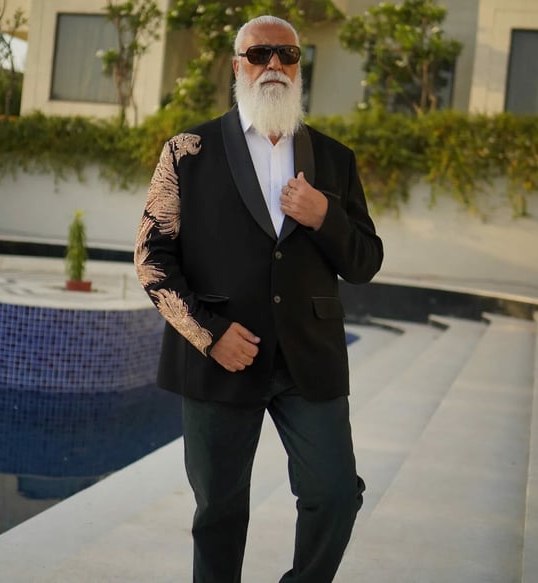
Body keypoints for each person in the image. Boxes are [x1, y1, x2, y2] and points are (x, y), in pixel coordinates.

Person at [134, 14, 384, 583]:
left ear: (299, 67)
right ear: (237, 65)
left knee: (335, 494)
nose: (274, 64)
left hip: (309, 358)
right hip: (221, 359)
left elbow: (365, 262)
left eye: (287, 55)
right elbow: (151, 257)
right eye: (259, 54)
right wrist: (208, 334)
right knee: (219, 514)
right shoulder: (187, 151)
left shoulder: (335, 158)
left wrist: (325, 216)